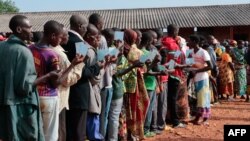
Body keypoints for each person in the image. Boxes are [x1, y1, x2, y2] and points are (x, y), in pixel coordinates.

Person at [0, 15, 59, 141]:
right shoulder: (24, 52)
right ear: (19, 30)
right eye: (29, 28)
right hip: (21, 109)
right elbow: (24, 87)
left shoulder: (2, 47)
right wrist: (48, 75)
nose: (31, 31)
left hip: (4, 106)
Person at [29, 20, 84, 141]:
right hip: (49, 98)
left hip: (33, 96)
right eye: (60, 38)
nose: (61, 41)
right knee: (50, 136)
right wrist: (72, 65)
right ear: (53, 35)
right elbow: (56, 82)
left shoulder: (30, 49)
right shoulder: (52, 55)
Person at [62, 14, 98, 141]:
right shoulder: (81, 44)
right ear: (80, 26)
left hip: (65, 92)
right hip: (79, 93)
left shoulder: (62, 40)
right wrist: (97, 67)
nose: (86, 30)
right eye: (86, 27)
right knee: (78, 131)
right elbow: (82, 72)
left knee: (67, 130)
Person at [50, 27, 85, 141]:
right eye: (65, 35)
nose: (68, 37)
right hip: (59, 98)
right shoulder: (61, 54)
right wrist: (80, 65)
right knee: (59, 133)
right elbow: (67, 79)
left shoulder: (49, 49)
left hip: (53, 97)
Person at [89, 13, 114, 138]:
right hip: (102, 82)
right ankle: (101, 136)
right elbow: (103, 59)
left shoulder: (83, 42)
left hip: (87, 82)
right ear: (99, 24)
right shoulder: (101, 39)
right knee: (102, 113)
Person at [123, 29, 149, 140]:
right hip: (127, 84)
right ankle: (130, 133)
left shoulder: (132, 49)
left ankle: (135, 132)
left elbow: (144, 67)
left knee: (141, 105)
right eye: (134, 37)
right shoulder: (123, 49)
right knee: (129, 109)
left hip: (137, 83)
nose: (135, 39)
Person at [161, 24, 187, 128]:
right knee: (172, 98)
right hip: (174, 73)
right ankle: (175, 121)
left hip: (168, 73)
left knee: (169, 98)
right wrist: (174, 68)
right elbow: (173, 60)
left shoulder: (165, 41)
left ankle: (169, 118)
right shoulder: (172, 44)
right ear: (175, 31)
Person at [83, 24, 105, 141]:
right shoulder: (90, 51)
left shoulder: (82, 46)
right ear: (88, 36)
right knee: (93, 119)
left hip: (84, 91)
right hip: (91, 90)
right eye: (96, 37)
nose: (98, 40)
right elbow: (95, 78)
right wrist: (101, 68)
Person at [188, 35, 212, 125]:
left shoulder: (203, 52)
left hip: (202, 78)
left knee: (203, 98)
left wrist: (196, 71)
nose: (188, 43)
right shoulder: (190, 52)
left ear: (195, 42)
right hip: (194, 78)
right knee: (197, 98)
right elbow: (189, 64)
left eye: (189, 41)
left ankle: (204, 118)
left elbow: (210, 66)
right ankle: (198, 117)